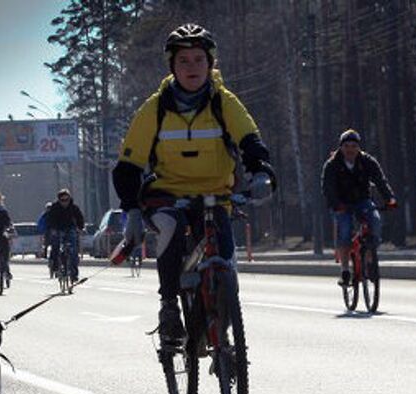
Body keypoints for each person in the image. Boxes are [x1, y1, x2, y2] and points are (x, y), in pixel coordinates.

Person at [112, 23, 275, 348]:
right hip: (168, 194)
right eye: (184, 61)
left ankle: (223, 332)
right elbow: (128, 166)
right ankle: (170, 308)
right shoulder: (155, 108)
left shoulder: (223, 102)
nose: (192, 68)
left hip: (217, 196)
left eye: (199, 60)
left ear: (210, 64)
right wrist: (131, 209)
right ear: (172, 66)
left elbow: (250, 140)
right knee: (170, 228)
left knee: (226, 265)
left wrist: (260, 173)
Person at [321, 129, 397, 286]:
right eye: (347, 146)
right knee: (345, 230)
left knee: (375, 221)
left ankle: (370, 259)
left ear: (359, 148)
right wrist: (336, 205)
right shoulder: (332, 164)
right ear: (341, 148)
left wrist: (390, 199)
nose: (350, 150)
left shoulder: (367, 161)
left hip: (362, 201)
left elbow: (380, 181)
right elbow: (327, 188)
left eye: (354, 146)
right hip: (342, 203)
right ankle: (345, 271)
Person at [47, 189, 85, 282]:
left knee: (73, 251)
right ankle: (56, 266)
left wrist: (81, 228)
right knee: (56, 246)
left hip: (70, 228)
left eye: (67, 200)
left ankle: (74, 274)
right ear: (59, 200)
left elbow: (79, 218)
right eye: (62, 200)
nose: (65, 202)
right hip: (58, 229)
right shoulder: (55, 207)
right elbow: (50, 220)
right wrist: (52, 229)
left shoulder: (74, 207)